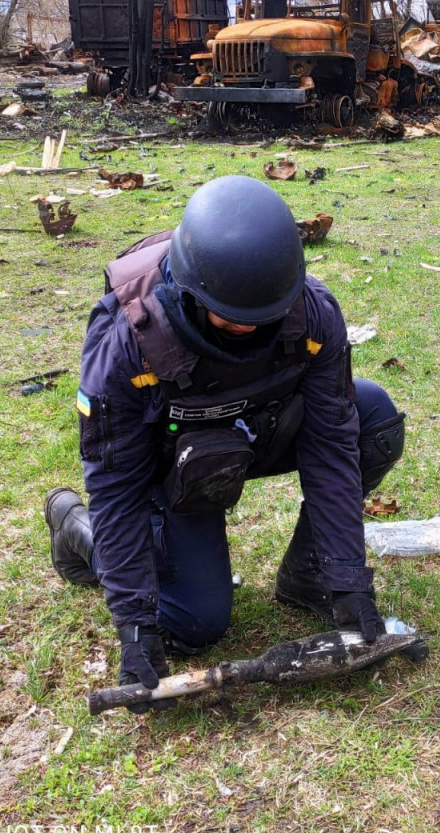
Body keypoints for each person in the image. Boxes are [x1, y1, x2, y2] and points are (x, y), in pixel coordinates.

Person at [44, 175, 405, 712]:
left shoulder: (312, 313)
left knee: (372, 419)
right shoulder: (126, 340)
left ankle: (308, 577)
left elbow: (331, 447)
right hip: (172, 468)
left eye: (263, 318)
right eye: (231, 318)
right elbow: (118, 483)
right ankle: (76, 526)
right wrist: (134, 623)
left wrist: (348, 577)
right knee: (194, 623)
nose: (248, 329)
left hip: (256, 431)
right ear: (191, 289)